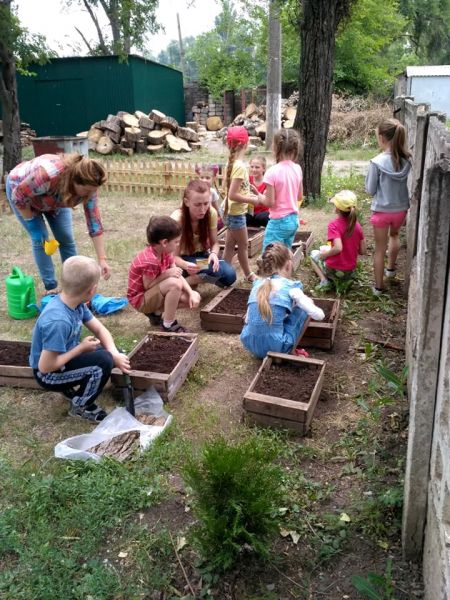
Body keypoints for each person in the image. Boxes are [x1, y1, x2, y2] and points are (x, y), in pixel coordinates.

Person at [29, 256, 131, 423]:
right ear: (92, 290)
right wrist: (80, 349)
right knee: (101, 364)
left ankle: (73, 387)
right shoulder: (58, 321)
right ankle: (81, 406)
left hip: (62, 361)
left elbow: (99, 329)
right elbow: (45, 367)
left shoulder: (75, 303)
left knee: (111, 354)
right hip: (48, 374)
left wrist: (114, 354)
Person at [6, 153, 110, 293]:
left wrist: (102, 259)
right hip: (23, 192)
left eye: (93, 191)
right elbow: (18, 196)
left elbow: (94, 222)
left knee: (65, 236)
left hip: (54, 199)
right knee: (41, 238)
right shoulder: (47, 175)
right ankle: (51, 287)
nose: (89, 195)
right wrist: (32, 224)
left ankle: (73, 286)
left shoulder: (89, 188)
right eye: (86, 190)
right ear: (74, 181)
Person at [240, 243, 325, 359]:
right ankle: (288, 352)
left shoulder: (257, 285)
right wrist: (309, 303)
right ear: (288, 265)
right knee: (303, 308)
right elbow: (319, 315)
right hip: (277, 347)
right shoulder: (291, 288)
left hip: (250, 344)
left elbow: (247, 318)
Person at [127, 215, 200, 333]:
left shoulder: (166, 252)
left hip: (154, 293)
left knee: (191, 298)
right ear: (164, 242)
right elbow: (148, 286)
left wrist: (191, 293)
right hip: (141, 300)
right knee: (174, 284)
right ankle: (168, 325)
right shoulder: (150, 260)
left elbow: (177, 273)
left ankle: (155, 313)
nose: (178, 245)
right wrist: (167, 274)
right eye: (176, 242)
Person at [365, 118, 411, 295]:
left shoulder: (376, 162)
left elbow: (370, 189)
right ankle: (391, 269)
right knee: (395, 236)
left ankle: (378, 287)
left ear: (382, 138)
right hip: (400, 210)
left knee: (379, 249)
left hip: (381, 212)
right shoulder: (407, 160)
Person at [170, 180, 237, 289]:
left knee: (230, 275)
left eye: (206, 203)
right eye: (197, 205)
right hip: (183, 260)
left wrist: (214, 254)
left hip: (202, 257)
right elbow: (173, 257)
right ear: (186, 202)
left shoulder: (211, 213)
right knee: (210, 267)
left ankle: (195, 278)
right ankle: (187, 280)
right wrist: (186, 265)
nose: (202, 209)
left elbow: (215, 243)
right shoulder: (177, 219)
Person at [223, 126, 259, 282]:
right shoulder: (240, 167)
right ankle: (249, 275)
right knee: (243, 246)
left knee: (230, 246)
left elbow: (232, 189)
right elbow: (232, 194)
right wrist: (252, 199)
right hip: (237, 214)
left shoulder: (231, 163)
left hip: (232, 213)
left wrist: (247, 190)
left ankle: (222, 274)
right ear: (246, 143)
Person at [310, 190, 366, 290]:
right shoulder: (357, 226)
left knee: (314, 255)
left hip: (334, 270)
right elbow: (363, 251)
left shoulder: (334, 225)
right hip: (350, 272)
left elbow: (338, 248)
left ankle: (324, 281)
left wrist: (324, 255)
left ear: (337, 209)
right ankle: (343, 281)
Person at [261, 129, 303, 251]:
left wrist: (260, 197)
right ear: (295, 149)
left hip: (278, 222)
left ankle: (274, 271)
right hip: (293, 221)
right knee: (284, 255)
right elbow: (299, 196)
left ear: (275, 148)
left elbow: (269, 202)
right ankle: (286, 270)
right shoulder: (297, 168)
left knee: (270, 257)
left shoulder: (272, 172)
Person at [194, 163, 223, 229]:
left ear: (214, 178)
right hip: (197, 218)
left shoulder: (212, 192)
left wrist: (220, 217)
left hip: (208, 218)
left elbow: (216, 208)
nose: (204, 180)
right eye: (202, 177)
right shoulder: (195, 192)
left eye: (207, 178)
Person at [246, 155, 269, 228]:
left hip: (263, 213)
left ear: (264, 168)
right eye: (252, 167)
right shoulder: (247, 180)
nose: (254, 169)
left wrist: (256, 195)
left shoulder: (267, 182)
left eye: (257, 167)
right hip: (250, 212)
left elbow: (268, 201)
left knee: (261, 217)